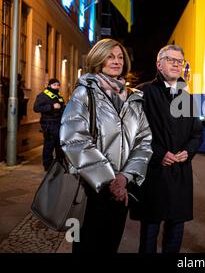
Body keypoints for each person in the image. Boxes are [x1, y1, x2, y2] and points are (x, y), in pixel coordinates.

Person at [59, 38, 153, 253]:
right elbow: (74, 140)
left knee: (110, 246)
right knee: (87, 247)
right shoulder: (84, 93)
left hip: (121, 189)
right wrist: (109, 179)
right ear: (98, 59)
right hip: (91, 188)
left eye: (120, 57)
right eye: (110, 56)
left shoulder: (133, 99)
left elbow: (144, 141)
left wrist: (125, 177)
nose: (116, 61)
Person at [132, 45, 203, 253]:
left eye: (179, 61)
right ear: (158, 64)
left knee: (176, 229)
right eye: (170, 60)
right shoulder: (144, 92)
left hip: (179, 172)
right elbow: (135, 132)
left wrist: (188, 152)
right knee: (149, 232)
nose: (175, 64)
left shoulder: (187, 97)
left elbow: (197, 133)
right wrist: (159, 154)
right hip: (153, 172)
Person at [33, 78, 65, 171]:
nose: (56, 87)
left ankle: (60, 165)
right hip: (48, 125)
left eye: (58, 85)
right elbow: (36, 108)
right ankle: (48, 166)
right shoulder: (43, 95)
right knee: (49, 146)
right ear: (49, 85)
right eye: (54, 85)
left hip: (59, 124)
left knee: (59, 146)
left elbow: (62, 107)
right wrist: (51, 106)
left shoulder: (58, 96)